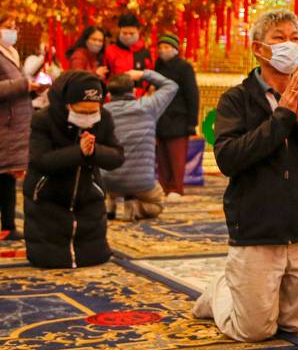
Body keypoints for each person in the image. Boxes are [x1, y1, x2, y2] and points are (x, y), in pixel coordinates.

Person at [193, 10, 298, 342]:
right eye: (279, 38)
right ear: (259, 49)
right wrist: (280, 119)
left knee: (297, 326)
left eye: (295, 38)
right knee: (252, 331)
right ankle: (221, 289)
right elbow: (229, 158)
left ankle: (253, 294)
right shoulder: (237, 99)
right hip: (257, 230)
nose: (290, 45)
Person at [23, 71, 124, 268]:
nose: (88, 117)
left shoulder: (104, 118)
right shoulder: (43, 119)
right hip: (48, 198)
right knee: (51, 260)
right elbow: (40, 161)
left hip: (88, 196)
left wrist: (94, 152)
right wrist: (78, 152)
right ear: (67, 104)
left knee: (94, 258)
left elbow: (117, 157)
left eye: (92, 112)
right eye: (82, 112)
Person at [101, 69, 179, 221]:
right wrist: (143, 74)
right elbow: (171, 86)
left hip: (108, 181)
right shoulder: (148, 106)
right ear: (134, 91)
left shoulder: (103, 112)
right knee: (158, 203)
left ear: (110, 95)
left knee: (108, 169)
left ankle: (109, 203)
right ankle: (135, 207)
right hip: (141, 182)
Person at [1, 15, 46, 240]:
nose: (12, 31)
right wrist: (23, 84)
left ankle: (8, 225)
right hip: (4, 123)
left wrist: (31, 89)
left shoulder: (11, 53)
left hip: (13, 124)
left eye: (14, 27)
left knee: (8, 175)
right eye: (7, 27)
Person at [154, 33, 199, 202]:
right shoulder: (157, 66)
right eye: (161, 48)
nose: (163, 51)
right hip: (160, 118)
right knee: (162, 157)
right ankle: (164, 187)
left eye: (167, 47)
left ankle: (176, 188)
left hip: (179, 119)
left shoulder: (184, 67)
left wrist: (192, 122)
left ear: (175, 49)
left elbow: (192, 95)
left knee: (176, 158)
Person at [103, 13, 152, 79]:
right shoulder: (110, 51)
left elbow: (150, 75)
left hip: (141, 89)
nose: (128, 36)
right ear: (119, 31)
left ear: (138, 31)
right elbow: (105, 76)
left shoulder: (145, 52)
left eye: (131, 33)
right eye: (124, 33)